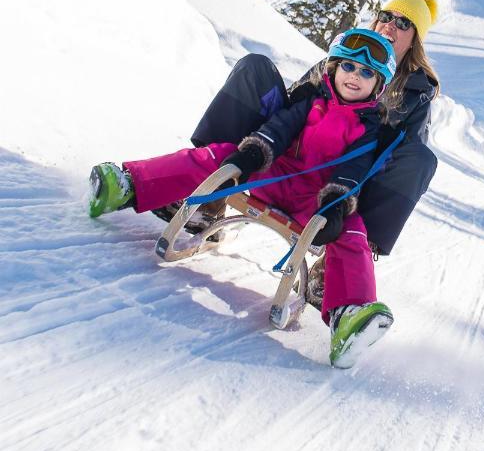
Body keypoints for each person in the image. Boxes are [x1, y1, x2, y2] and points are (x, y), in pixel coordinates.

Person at [88, 29, 399, 369]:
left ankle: (349, 316)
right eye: (350, 67)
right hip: (273, 177)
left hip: (311, 204)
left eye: (367, 73)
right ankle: (129, 184)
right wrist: (251, 154)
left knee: (353, 228)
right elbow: (278, 129)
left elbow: (352, 172)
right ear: (334, 68)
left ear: (379, 85)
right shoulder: (312, 102)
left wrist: (336, 207)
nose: (355, 76)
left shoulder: (368, 130)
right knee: (218, 155)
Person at [188, 0, 440, 258]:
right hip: (289, 163)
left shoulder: (416, 94)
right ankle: (210, 189)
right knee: (254, 68)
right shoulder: (347, 56)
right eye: (386, 16)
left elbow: (403, 163)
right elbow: (295, 105)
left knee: (420, 160)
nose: (390, 25)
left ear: (415, 41)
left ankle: (347, 255)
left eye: (403, 23)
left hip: (343, 189)